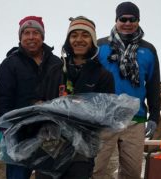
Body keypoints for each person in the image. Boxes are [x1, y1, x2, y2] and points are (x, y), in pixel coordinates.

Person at [36, 16, 115, 179]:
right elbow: (38, 101)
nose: (79, 40)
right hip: (49, 146)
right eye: (74, 35)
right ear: (68, 40)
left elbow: (106, 114)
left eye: (85, 35)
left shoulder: (103, 76)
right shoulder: (53, 71)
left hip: (81, 151)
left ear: (93, 40)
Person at [92, 2, 161, 179]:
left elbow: (153, 86)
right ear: (116, 20)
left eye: (133, 19)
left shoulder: (149, 50)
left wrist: (154, 117)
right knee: (96, 169)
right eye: (123, 19)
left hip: (135, 120)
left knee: (132, 172)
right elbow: (89, 80)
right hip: (105, 118)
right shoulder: (100, 46)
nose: (128, 23)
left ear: (138, 21)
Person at [0, 16, 62, 179]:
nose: (31, 37)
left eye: (35, 32)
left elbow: (63, 95)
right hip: (19, 135)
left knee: (50, 176)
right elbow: (3, 100)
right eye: (26, 33)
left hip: (50, 134)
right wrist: (6, 131)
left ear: (42, 36)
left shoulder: (57, 63)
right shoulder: (9, 64)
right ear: (20, 37)